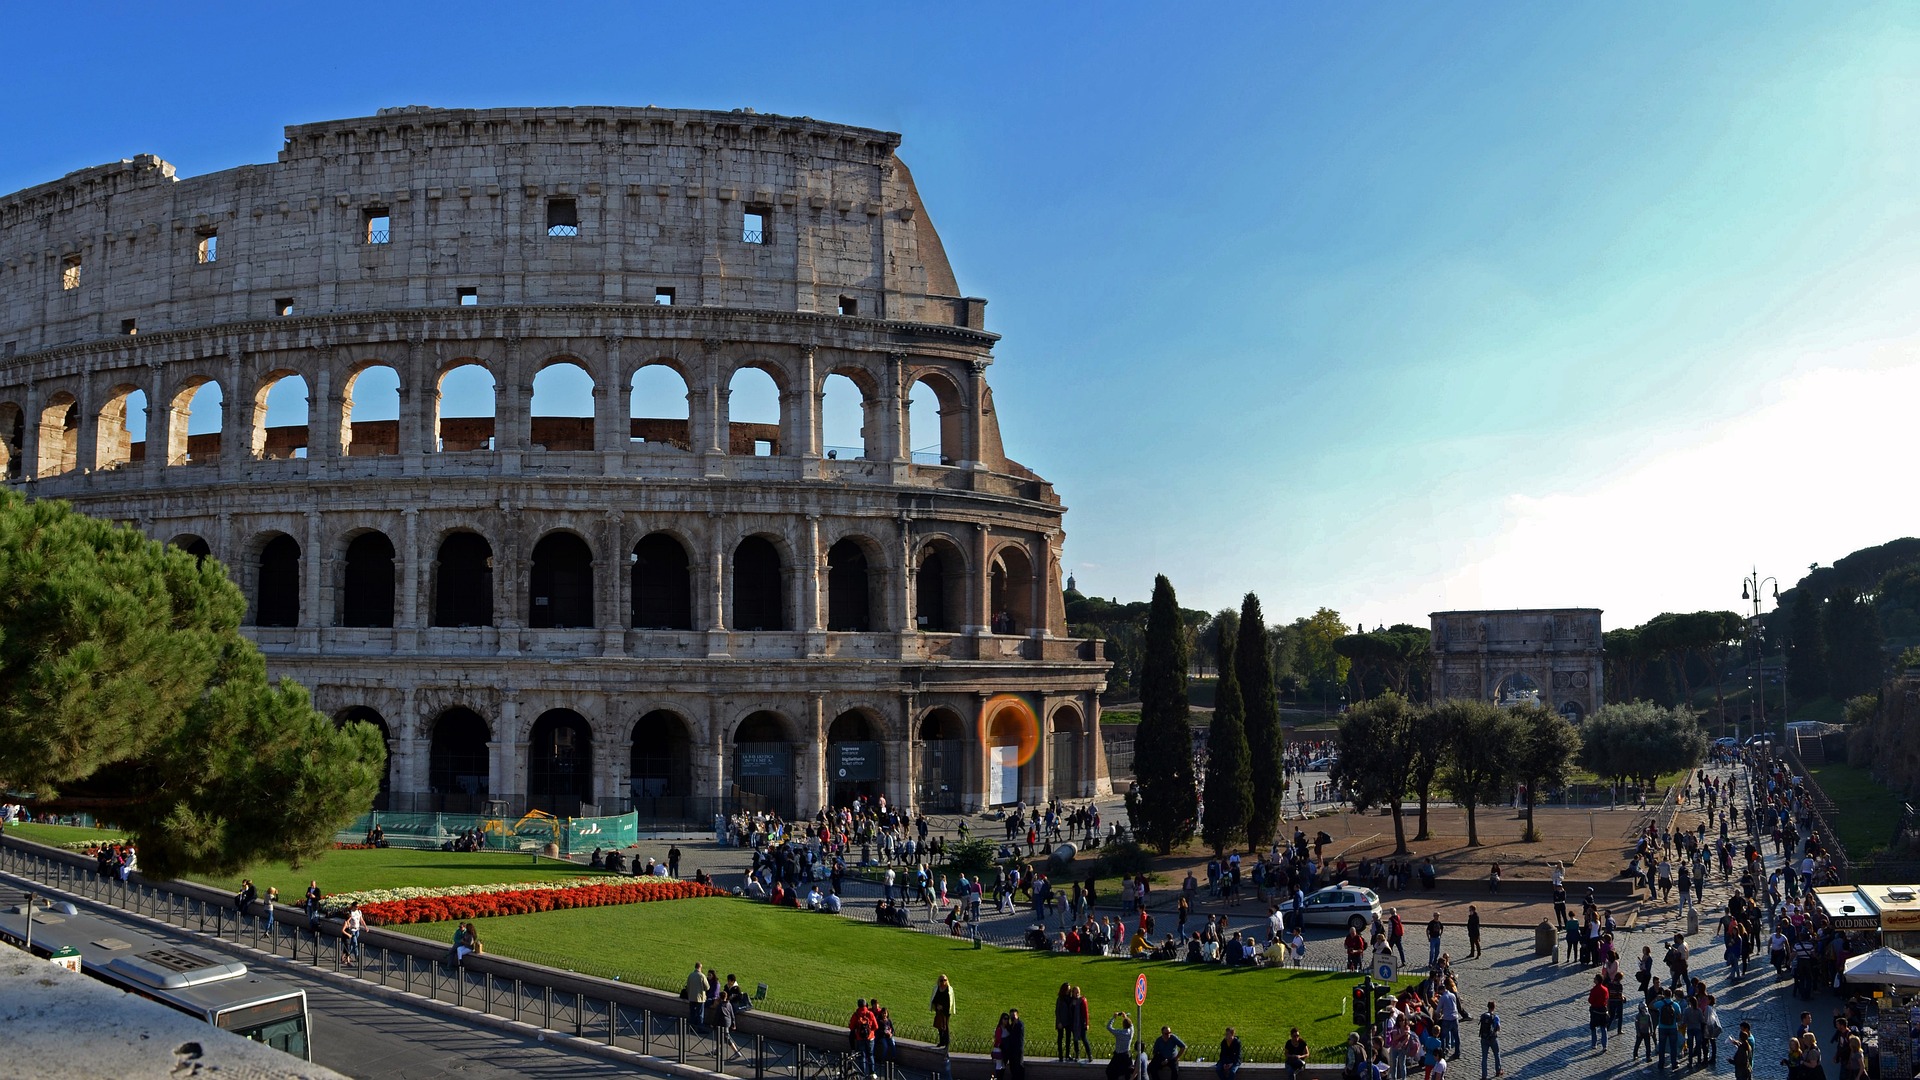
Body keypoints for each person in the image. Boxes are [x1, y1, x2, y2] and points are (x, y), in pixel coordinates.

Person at [849, 999, 879, 1079]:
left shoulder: (856, 1014)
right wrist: (870, 1032)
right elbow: (876, 1026)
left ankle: (862, 1073)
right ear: (866, 1005)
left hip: (860, 1037)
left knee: (862, 1055)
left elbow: (851, 1027)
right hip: (870, 1038)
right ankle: (872, 1073)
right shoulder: (870, 1013)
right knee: (870, 1055)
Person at [1106, 1012, 1136, 1080]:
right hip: (1126, 1055)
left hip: (1118, 1056)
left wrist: (1113, 1017)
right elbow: (1131, 1025)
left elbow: (1108, 1027)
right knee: (1127, 1074)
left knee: (1109, 1071)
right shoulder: (1131, 1032)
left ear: (1123, 1025)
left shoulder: (1119, 1033)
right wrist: (1125, 1017)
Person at [1478, 1001, 1502, 1079]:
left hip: (1484, 1038)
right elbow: (1498, 1028)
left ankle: (1484, 1075)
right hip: (1492, 1038)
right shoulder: (1495, 1017)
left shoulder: (1483, 1016)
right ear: (1494, 1007)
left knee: (1484, 1057)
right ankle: (1498, 1070)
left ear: (1487, 1007)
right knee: (1496, 1053)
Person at [931, 973, 955, 1049]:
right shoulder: (937, 988)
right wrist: (937, 1005)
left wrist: (943, 1007)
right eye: (941, 980)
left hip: (946, 1011)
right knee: (939, 1026)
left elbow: (949, 1001)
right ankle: (942, 1042)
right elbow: (934, 999)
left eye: (945, 980)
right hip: (939, 1010)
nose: (943, 982)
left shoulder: (949, 989)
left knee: (945, 1027)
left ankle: (947, 1043)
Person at [1586, 975, 1609, 1050]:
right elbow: (1607, 998)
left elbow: (1590, 1000)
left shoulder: (1594, 990)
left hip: (1595, 1010)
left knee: (1593, 1028)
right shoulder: (1605, 989)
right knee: (1603, 1028)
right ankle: (1604, 1045)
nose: (1594, 979)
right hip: (1603, 1010)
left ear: (1597, 980)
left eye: (1595, 979)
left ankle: (1594, 1044)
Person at [1005, 1007, 1027, 1080]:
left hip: (1018, 1049)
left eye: (1014, 1015)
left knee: (1019, 1066)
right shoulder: (1011, 1026)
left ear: (1017, 1015)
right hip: (1012, 1050)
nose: (1012, 1017)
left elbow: (1017, 1035)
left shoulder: (1020, 1024)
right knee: (1012, 1066)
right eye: (1011, 1016)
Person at [686, 962, 709, 1029]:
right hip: (700, 998)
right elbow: (707, 987)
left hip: (691, 997)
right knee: (700, 1014)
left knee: (692, 1013)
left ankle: (691, 1027)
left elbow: (688, 986)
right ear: (700, 967)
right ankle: (700, 1027)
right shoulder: (702, 976)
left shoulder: (690, 975)